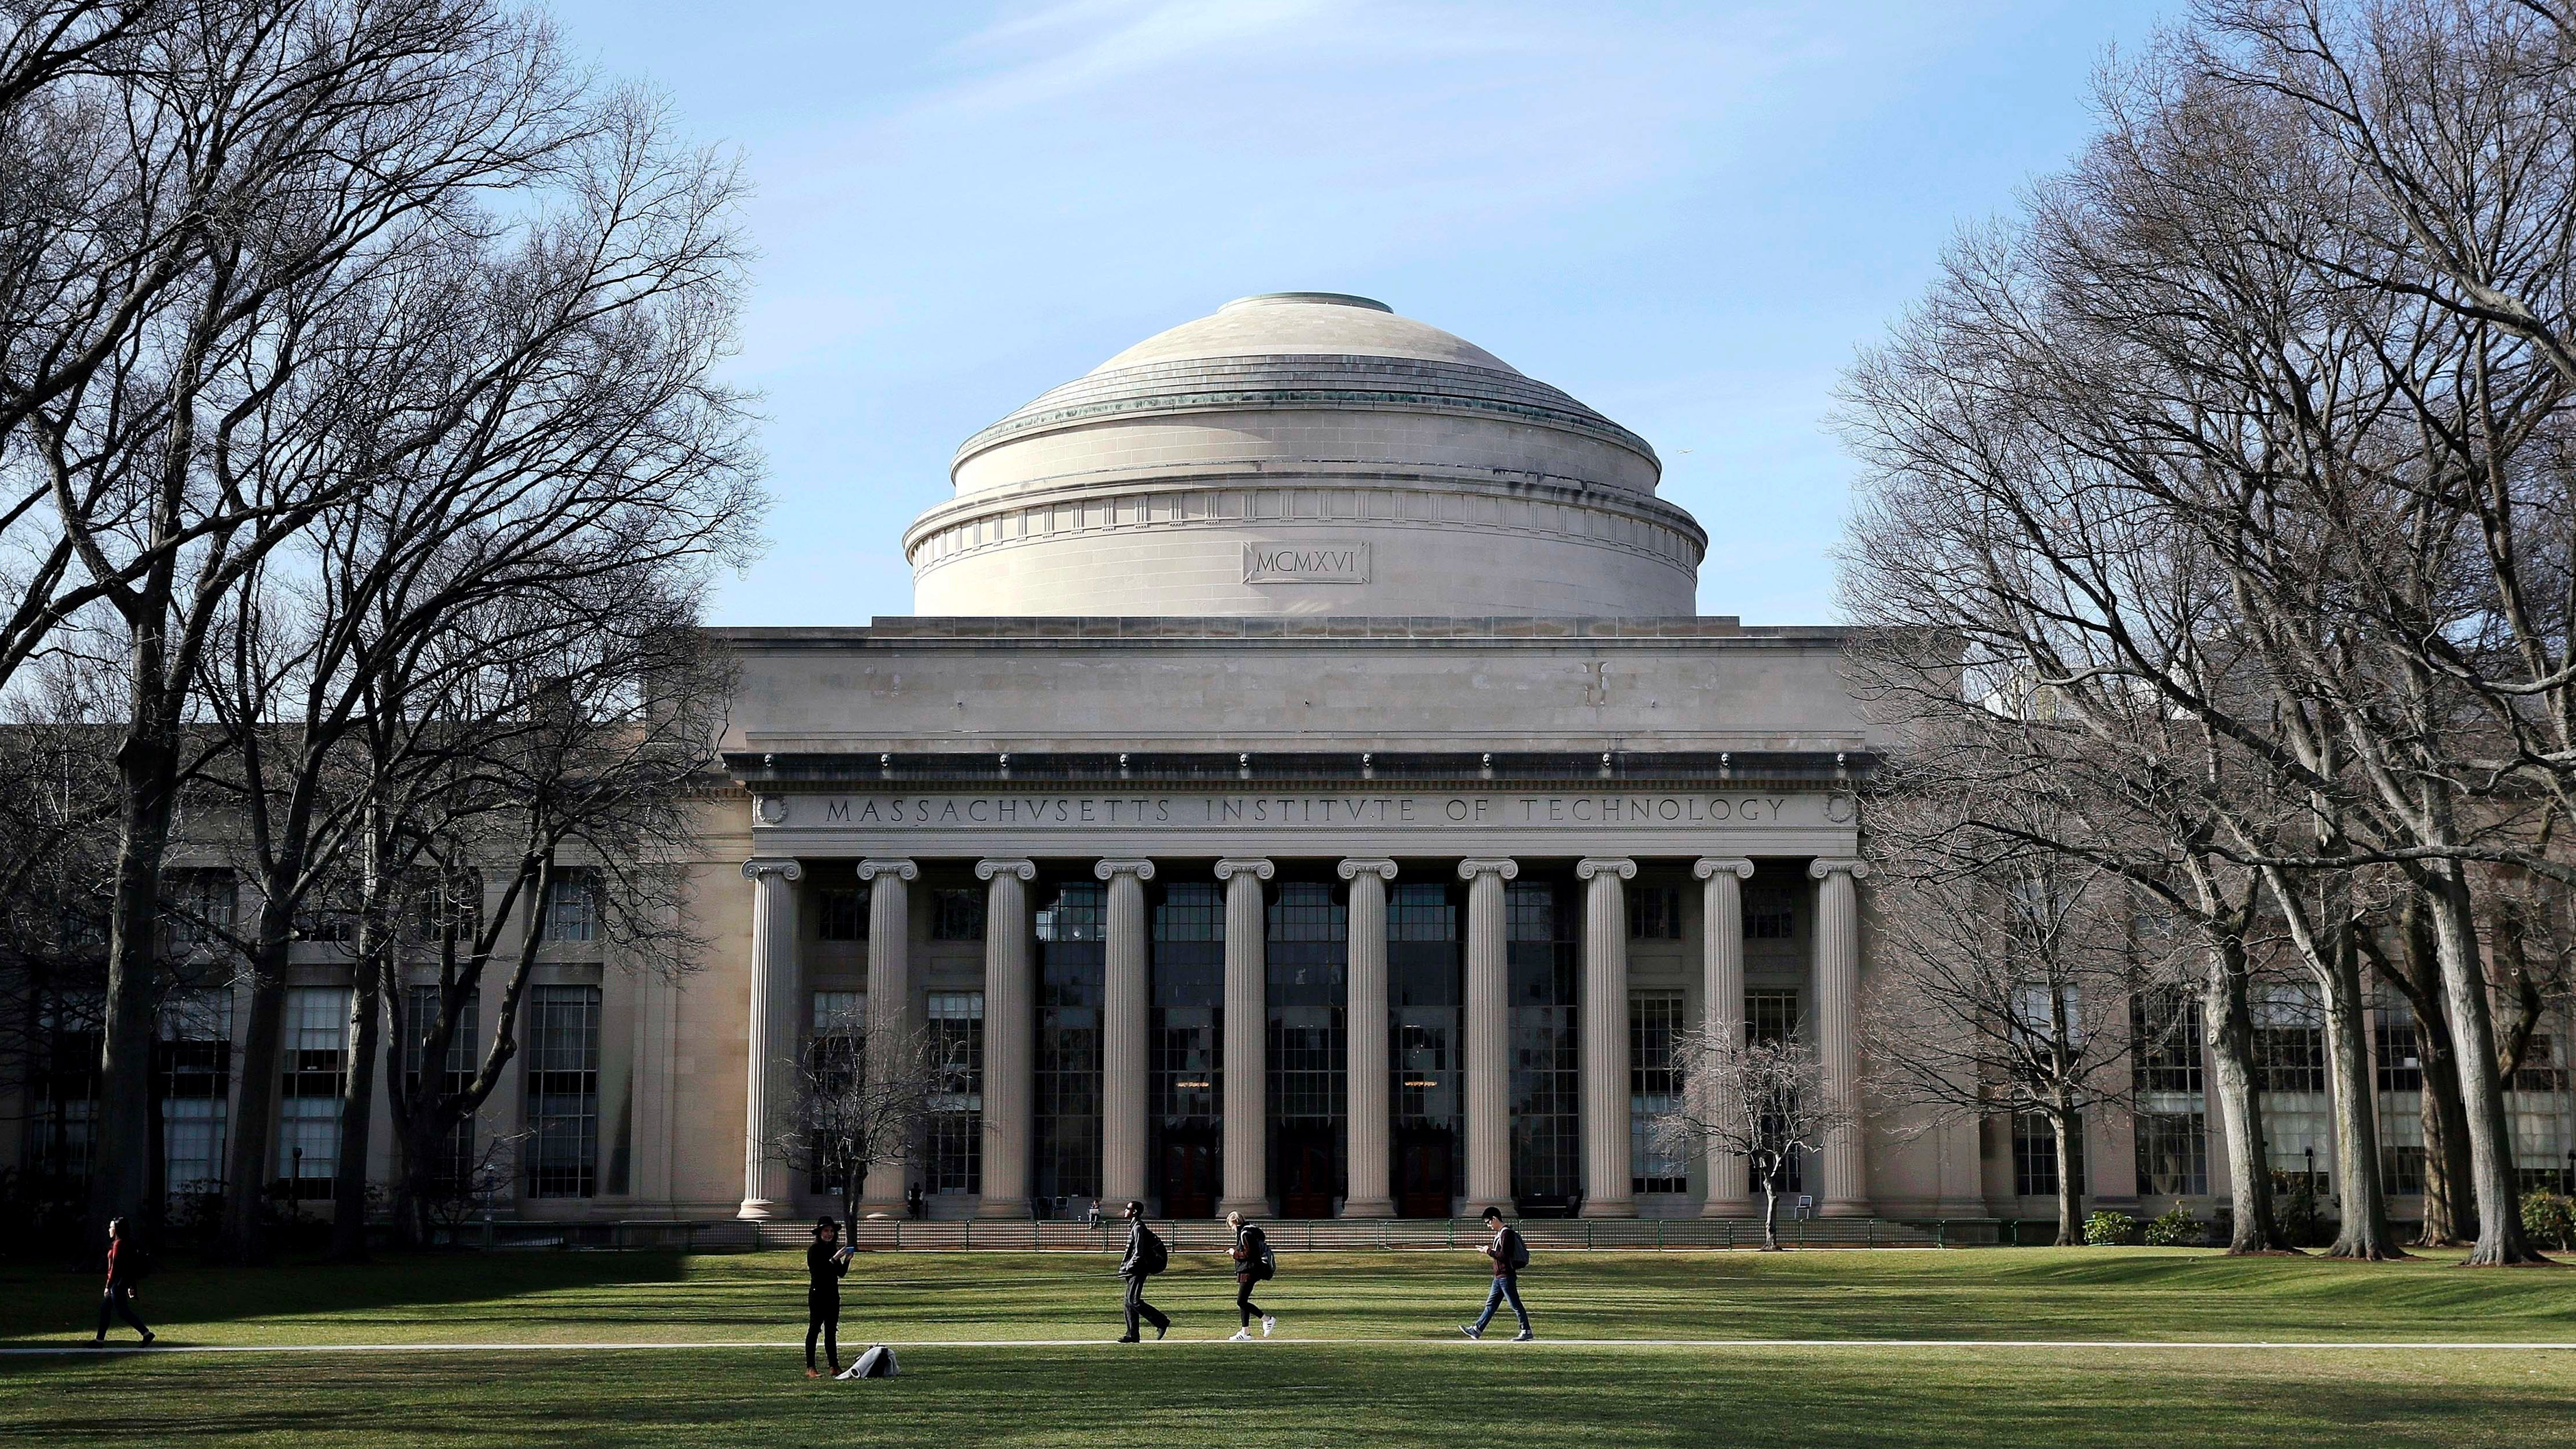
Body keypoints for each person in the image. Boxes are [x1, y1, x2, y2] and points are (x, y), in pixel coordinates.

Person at [1460, 1206, 1532, 1341]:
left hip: (1506, 1276)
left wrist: (1489, 1251)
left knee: (1515, 1304)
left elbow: (1505, 1256)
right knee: (1491, 1305)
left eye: (1488, 1222)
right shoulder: (1500, 1234)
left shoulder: (1507, 1234)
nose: (1488, 1226)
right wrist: (1488, 1251)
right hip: (1499, 1277)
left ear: (1495, 1219)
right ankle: (1477, 1329)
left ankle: (1526, 1330)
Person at [92, 1218, 152, 1348]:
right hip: (123, 1282)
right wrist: (131, 1285)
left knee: (122, 1311)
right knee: (105, 1309)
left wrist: (108, 1286)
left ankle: (146, 1333)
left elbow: (115, 1267)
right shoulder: (126, 1243)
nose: (109, 1229)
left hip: (118, 1284)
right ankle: (99, 1340)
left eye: (111, 1227)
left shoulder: (119, 1244)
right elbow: (129, 1266)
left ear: (117, 1229)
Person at [806, 1216, 853, 1377]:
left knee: (831, 1331)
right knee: (814, 1329)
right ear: (820, 1233)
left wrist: (846, 1260)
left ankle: (834, 1365)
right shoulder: (814, 1250)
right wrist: (834, 1259)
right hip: (818, 1294)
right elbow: (819, 1272)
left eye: (832, 1231)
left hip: (833, 1295)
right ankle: (811, 1367)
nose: (829, 1234)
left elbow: (840, 1273)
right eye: (826, 1231)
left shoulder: (833, 1249)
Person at [1115, 1201, 1169, 1343]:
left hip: (1138, 1270)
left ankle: (1161, 1322)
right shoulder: (1135, 1227)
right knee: (1128, 1302)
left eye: (1128, 1209)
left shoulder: (1138, 1228)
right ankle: (1132, 1335)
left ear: (1134, 1212)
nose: (1125, 1211)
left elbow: (1139, 1252)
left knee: (1134, 1301)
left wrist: (1129, 1266)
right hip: (1134, 1270)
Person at [1226, 1210, 1276, 1341]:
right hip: (1247, 1270)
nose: (1231, 1228)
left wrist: (1234, 1253)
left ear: (1235, 1223)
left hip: (1250, 1270)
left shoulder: (1245, 1234)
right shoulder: (1249, 1232)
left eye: (1231, 1225)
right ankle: (1245, 1332)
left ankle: (1267, 1319)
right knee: (1243, 1302)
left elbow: (1250, 1254)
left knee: (1241, 1301)